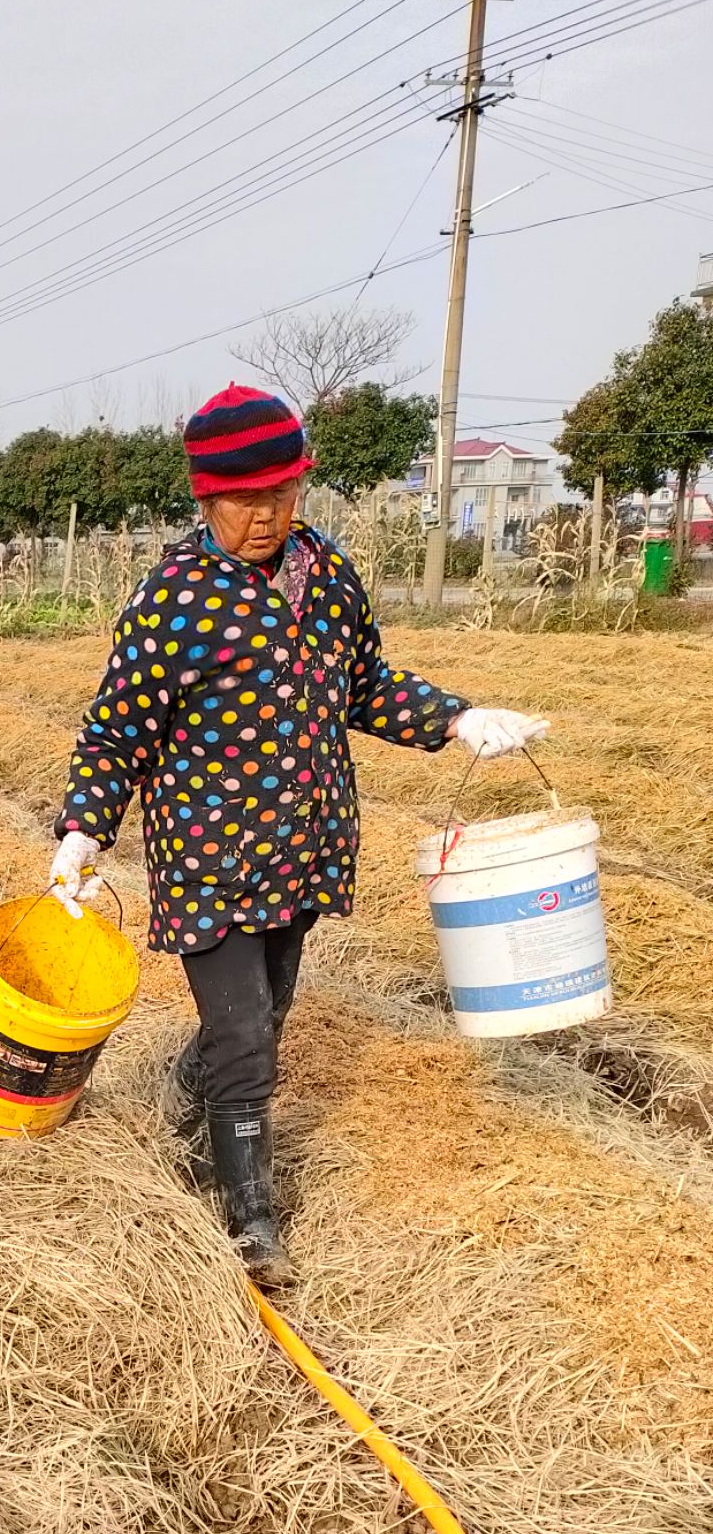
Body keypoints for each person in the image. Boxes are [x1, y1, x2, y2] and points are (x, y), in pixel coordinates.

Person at [48, 383, 547, 1287]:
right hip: (210, 858)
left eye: (282, 496)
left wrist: (458, 719)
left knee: (264, 1017)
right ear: (206, 499)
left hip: (303, 846)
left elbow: (363, 685)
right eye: (245, 501)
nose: (266, 517)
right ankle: (248, 1215)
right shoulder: (172, 602)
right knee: (245, 1036)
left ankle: (194, 1095)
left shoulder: (329, 576)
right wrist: (85, 830)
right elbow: (118, 728)